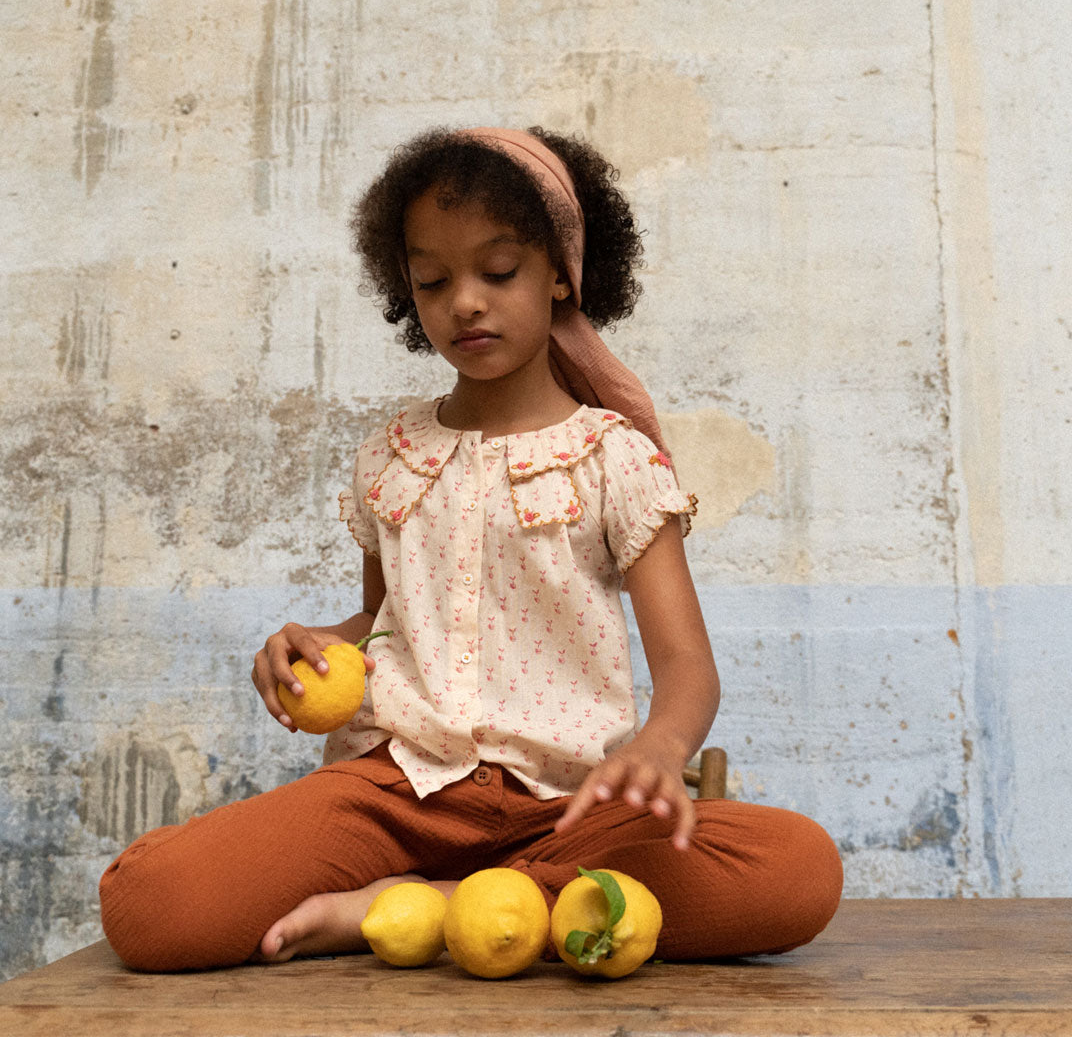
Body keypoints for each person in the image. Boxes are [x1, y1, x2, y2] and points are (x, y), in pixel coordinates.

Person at [99, 127, 842, 972]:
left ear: (562, 271)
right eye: (433, 279)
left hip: (569, 805)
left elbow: (687, 668)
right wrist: (314, 646)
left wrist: (658, 750)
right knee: (148, 903)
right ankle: (526, 902)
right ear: (404, 288)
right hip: (394, 793)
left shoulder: (616, 457)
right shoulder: (392, 457)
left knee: (794, 869)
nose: (466, 302)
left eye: (498, 271)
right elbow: (384, 626)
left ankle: (434, 905)